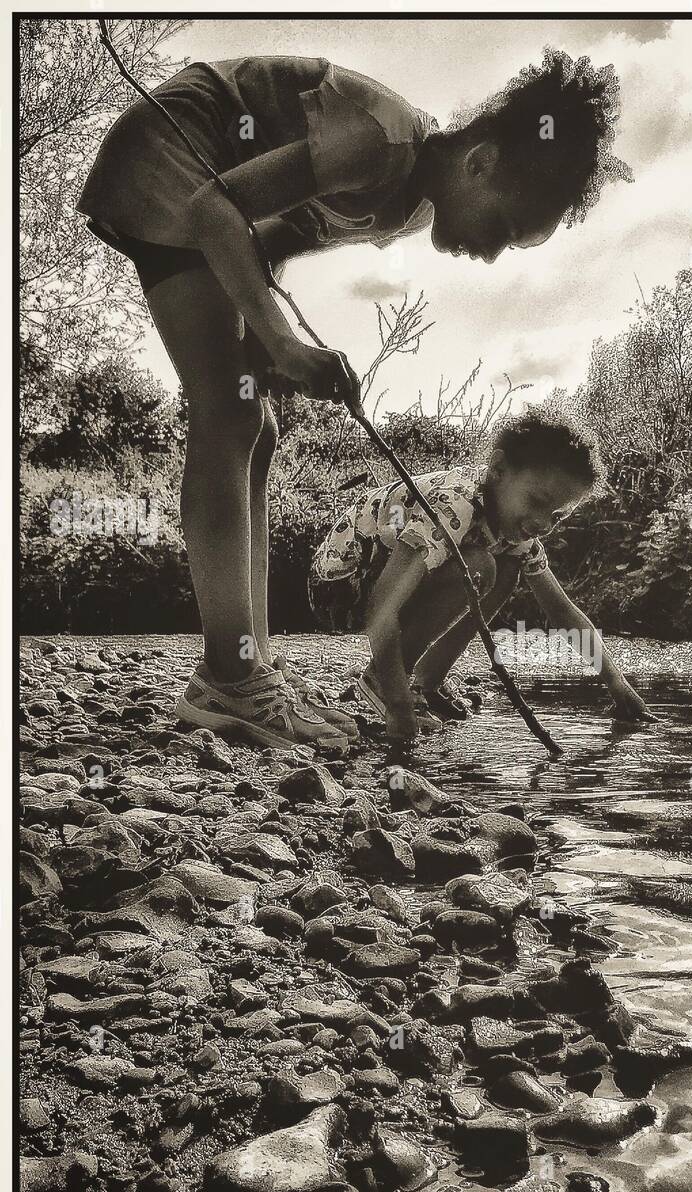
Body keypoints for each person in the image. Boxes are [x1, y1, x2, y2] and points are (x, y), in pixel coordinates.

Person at [77, 47, 631, 749]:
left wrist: (260, 334)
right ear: (481, 162)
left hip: (202, 188)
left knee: (259, 427)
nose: (488, 256)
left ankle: (248, 672)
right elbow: (216, 208)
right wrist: (279, 342)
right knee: (231, 413)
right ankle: (230, 681)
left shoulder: (401, 207)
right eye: (498, 229)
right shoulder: (380, 139)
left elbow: (265, 234)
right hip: (172, 152)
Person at [310, 405, 655, 743]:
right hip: (340, 585)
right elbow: (383, 602)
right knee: (479, 568)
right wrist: (397, 707)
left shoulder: (517, 533)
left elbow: (561, 610)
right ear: (499, 469)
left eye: (556, 516)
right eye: (535, 502)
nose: (542, 524)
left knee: (506, 570)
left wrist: (616, 683)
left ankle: (427, 680)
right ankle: (383, 682)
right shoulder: (452, 508)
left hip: (385, 582)